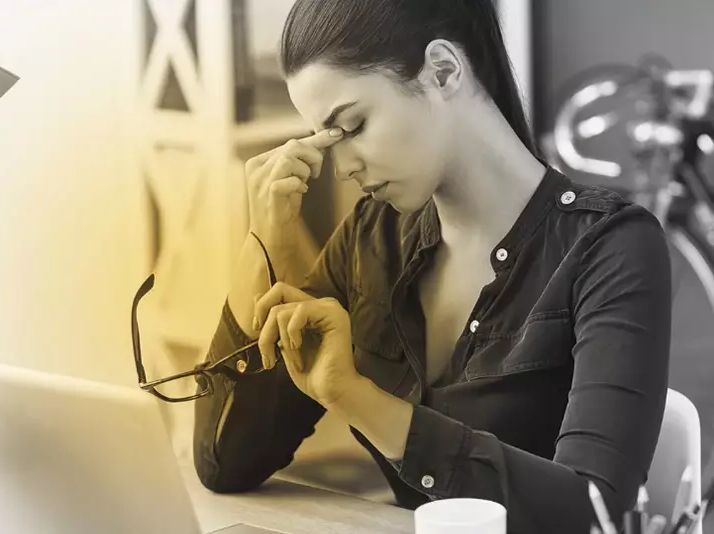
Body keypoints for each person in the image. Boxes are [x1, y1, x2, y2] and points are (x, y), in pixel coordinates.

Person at [192, 1, 672, 533]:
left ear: (443, 70)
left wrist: (358, 399)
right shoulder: (371, 239)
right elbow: (224, 464)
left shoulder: (609, 246)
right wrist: (264, 236)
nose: (344, 167)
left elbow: (591, 512)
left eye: (352, 126)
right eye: (327, 141)